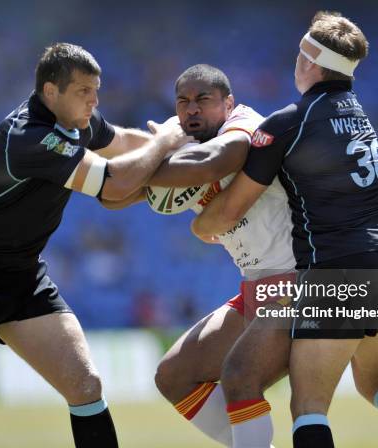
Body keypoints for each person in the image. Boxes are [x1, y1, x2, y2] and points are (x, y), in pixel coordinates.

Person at [193, 12, 378, 448]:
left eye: (299, 54)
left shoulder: (287, 124)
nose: (294, 62)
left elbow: (230, 211)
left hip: (340, 267)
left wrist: (200, 224)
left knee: (308, 406)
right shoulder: (360, 116)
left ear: (310, 62)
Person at [0, 42, 193, 448]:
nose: (95, 101)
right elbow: (114, 182)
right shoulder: (28, 137)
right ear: (51, 91)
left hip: (23, 275)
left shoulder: (77, 121)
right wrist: (165, 144)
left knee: (86, 385)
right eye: (85, 91)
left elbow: (121, 143)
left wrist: (189, 148)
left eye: (96, 90)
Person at [103, 64, 296, 447]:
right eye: (183, 102)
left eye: (203, 100)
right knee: (174, 375)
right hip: (257, 285)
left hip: (301, 279)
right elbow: (114, 197)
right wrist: (151, 153)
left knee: (241, 378)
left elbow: (215, 162)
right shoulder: (183, 150)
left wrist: (152, 157)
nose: (191, 109)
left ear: (229, 102)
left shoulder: (245, 126)